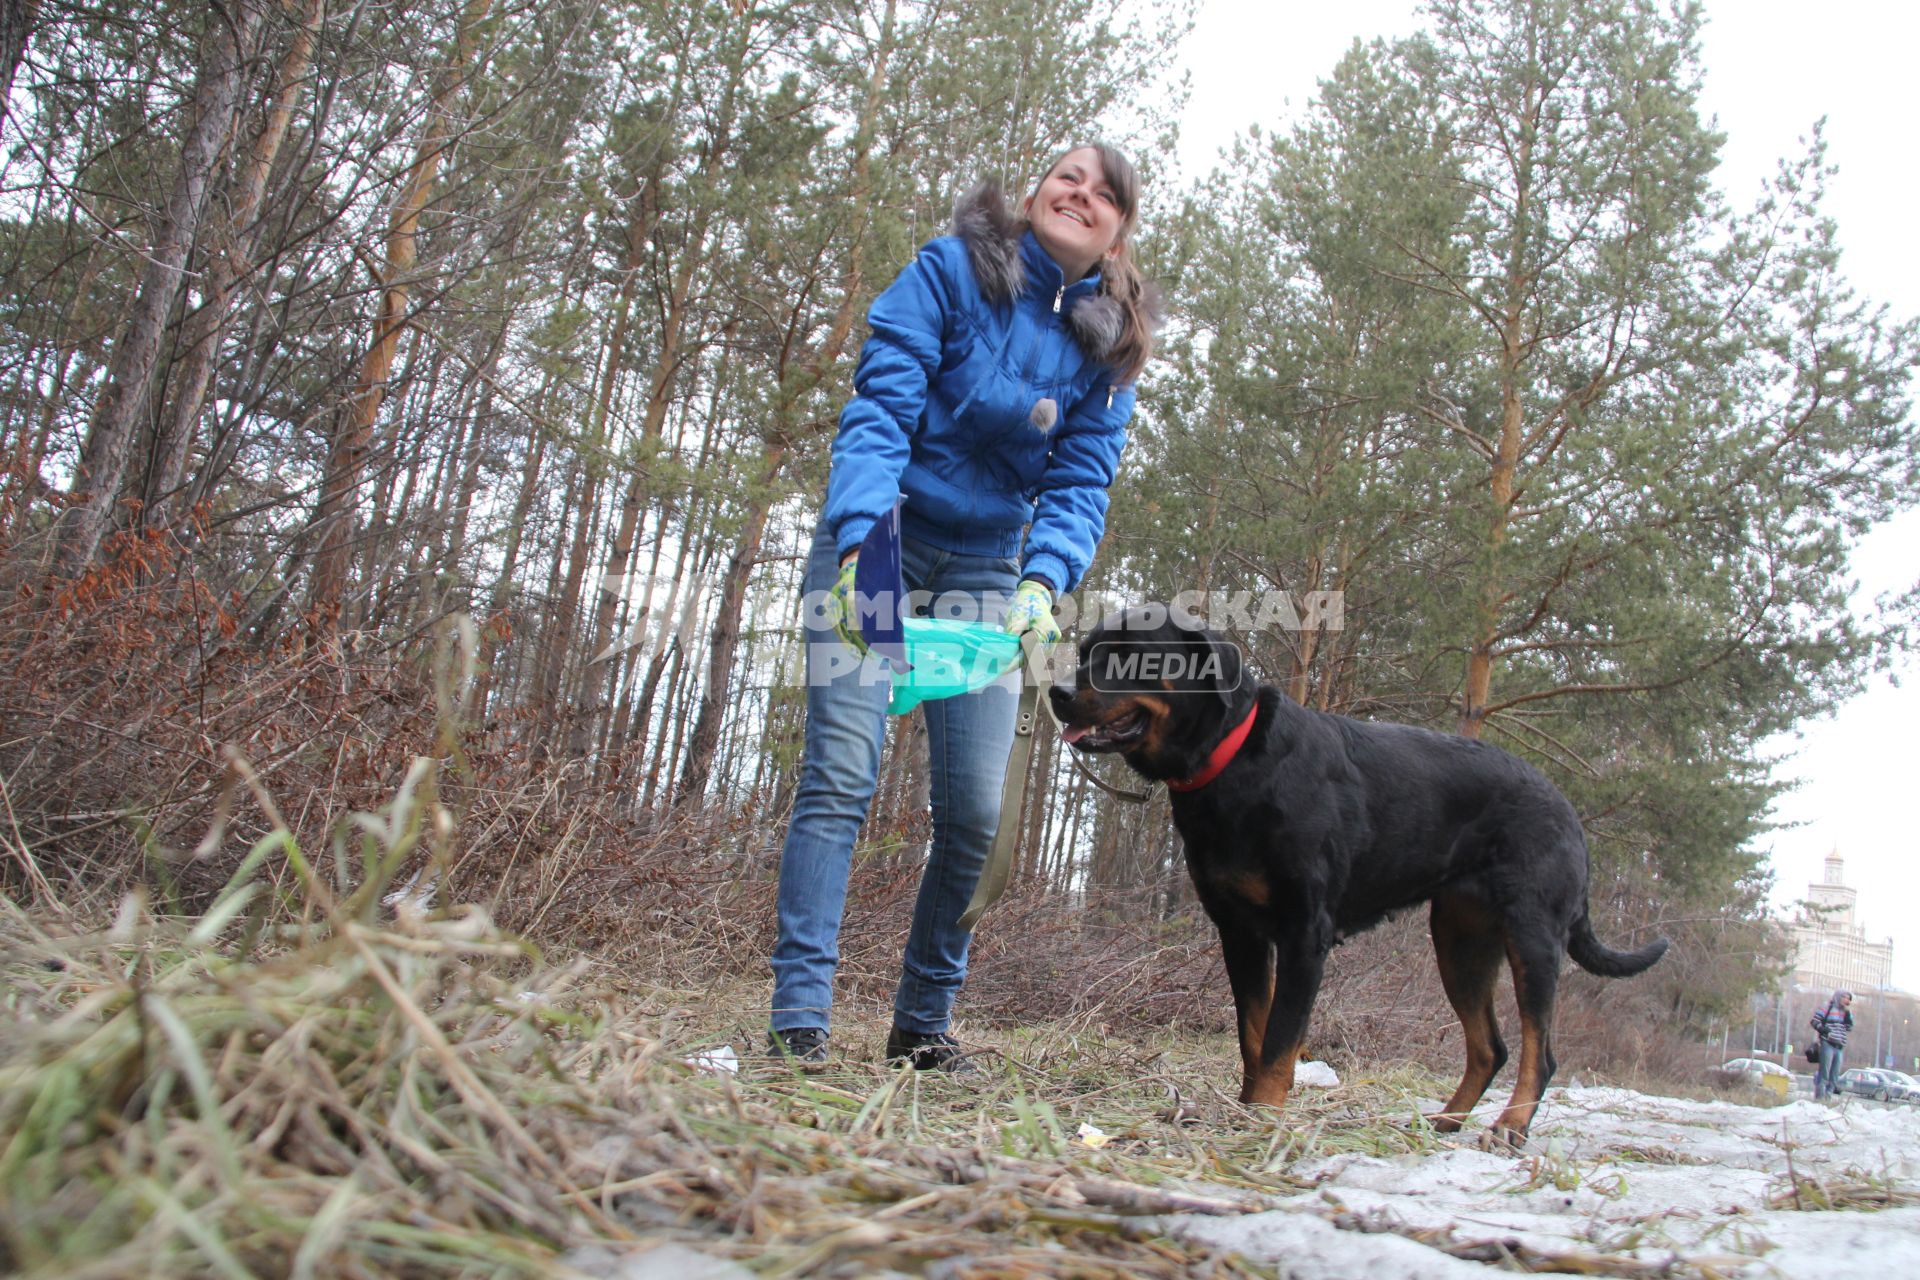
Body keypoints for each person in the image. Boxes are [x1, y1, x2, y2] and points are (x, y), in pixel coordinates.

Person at [767, 145, 1158, 1072]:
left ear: (1116, 231)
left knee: (977, 811)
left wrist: (1043, 582)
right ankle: (799, 1019)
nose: (1082, 196)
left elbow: (1081, 479)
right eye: (1070, 178)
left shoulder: (1108, 350)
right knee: (840, 775)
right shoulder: (949, 270)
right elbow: (882, 403)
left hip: (987, 570)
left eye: (1105, 195)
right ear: (1035, 195)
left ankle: (923, 1025)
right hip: (883, 542)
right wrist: (861, 534)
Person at [1810, 989, 1853, 1100]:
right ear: (1838, 997)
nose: (1846, 1000)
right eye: (1844, 997)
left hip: (1839, 1045)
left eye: (1848, 998)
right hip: (1828, 1042)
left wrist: (1848, 1016)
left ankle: (1828, 1097)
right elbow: (1815, 1021)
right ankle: (1819, 1097)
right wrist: (1823, 1030)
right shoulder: (1827, 1007)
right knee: (1824, 1073)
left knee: (1834, 1075)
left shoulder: (1846, 1012)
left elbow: (1849, 1028)